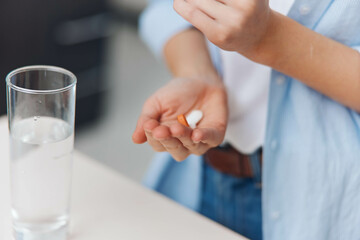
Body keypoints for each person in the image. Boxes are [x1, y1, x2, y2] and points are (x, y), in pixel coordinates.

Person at [134, 0, 360, 239]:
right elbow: (165, 6)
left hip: (322, 196)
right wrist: (197, 72)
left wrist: (269, 38)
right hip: (205, 170)